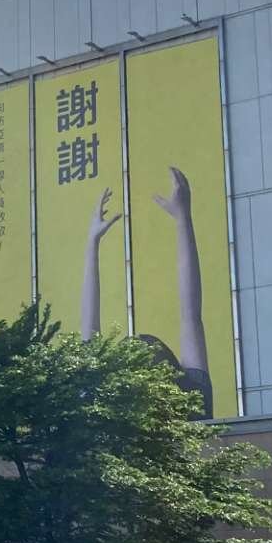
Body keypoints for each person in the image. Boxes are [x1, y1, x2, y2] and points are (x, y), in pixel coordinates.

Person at [81, 167, 213, 417]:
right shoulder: (193, 399)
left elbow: (89, 331)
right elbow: (191, 314)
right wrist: (183, 219)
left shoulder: (102, 404)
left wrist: (92, 244)